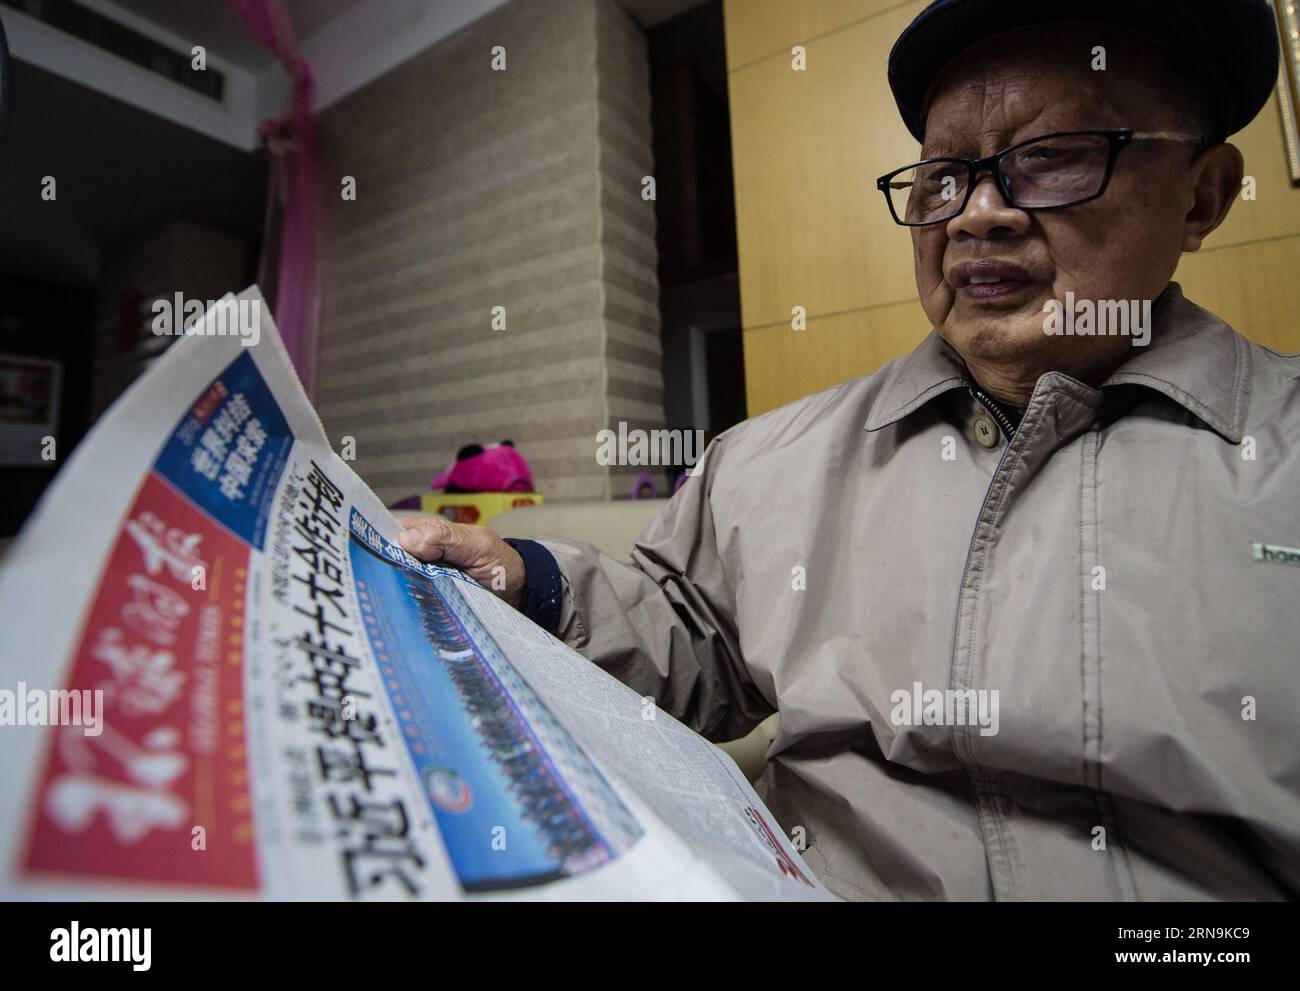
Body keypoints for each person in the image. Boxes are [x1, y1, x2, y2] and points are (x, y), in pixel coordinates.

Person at [398, 0, 1300, 900]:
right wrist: (524, 577)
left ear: (1204, 194)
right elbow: (690, 637)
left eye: (1052, 156)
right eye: (943, 177)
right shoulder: (772, 457)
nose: (978, 215)